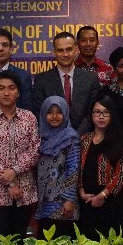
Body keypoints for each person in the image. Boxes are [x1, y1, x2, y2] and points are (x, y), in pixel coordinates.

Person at [0, 73, 41, 238]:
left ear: (18, 92)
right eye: (1, 88)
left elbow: (34, 150)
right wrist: (10, 183)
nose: (6, 93)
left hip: (24, 191)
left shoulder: (29, 118)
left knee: (18, 240)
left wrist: (15, 170)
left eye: (11, 88)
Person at [76, 96, 123, 239]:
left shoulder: (122, 140)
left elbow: (122, 173)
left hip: (111, 202)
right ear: (91, 115)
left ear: (112, 114)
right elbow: (78, 169)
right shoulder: (84, 139)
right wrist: (81, 192)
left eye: (105, 112)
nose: (101, 116)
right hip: (87, 200)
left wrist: (103, 195)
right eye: (97, 112)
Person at [32, 31, 101, 129]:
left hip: (84, 137)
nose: (65, 54)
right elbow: (40, 113)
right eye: (60, 50)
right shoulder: (42, 80)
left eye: (69, 49)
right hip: (53, 139)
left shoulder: (90, 78)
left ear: (76, 50)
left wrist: (76, 136)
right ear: (54, 53)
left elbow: (92, 112)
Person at [34, 96, 80, 237]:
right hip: (43, 201)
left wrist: (69, 199)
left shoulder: (71, 138)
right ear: (43, 114)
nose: (54, 116)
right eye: (50, 112)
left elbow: (74, 170)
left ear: (65, 113)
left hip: (63, 202)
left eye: (59, 112)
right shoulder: (38, 137)